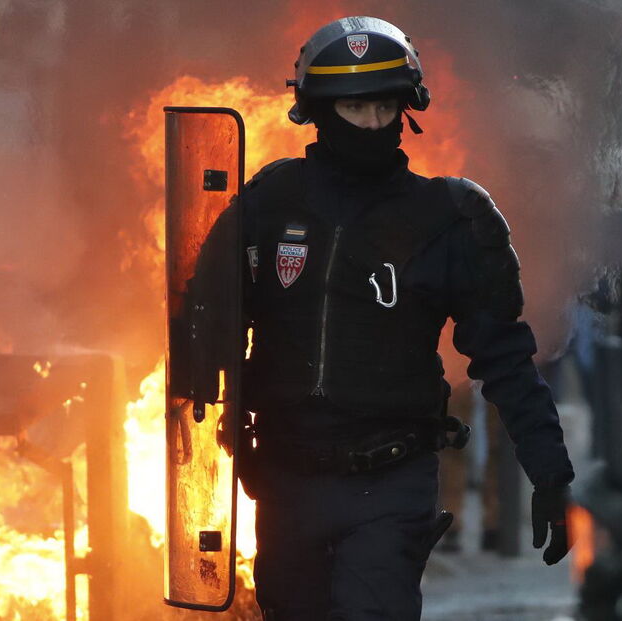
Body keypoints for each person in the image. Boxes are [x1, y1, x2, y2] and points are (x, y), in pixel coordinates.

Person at [186, 16, 575, 621]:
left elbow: (504, 356)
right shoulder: (268, 203)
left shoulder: (450, 217)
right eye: (355, 107)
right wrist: (214, 409)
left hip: (391, 482)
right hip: (286, 481)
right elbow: (204, 321)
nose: (371, 123)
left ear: (406, 108)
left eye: (384, 107)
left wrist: (549, 470)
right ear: (319, 111)